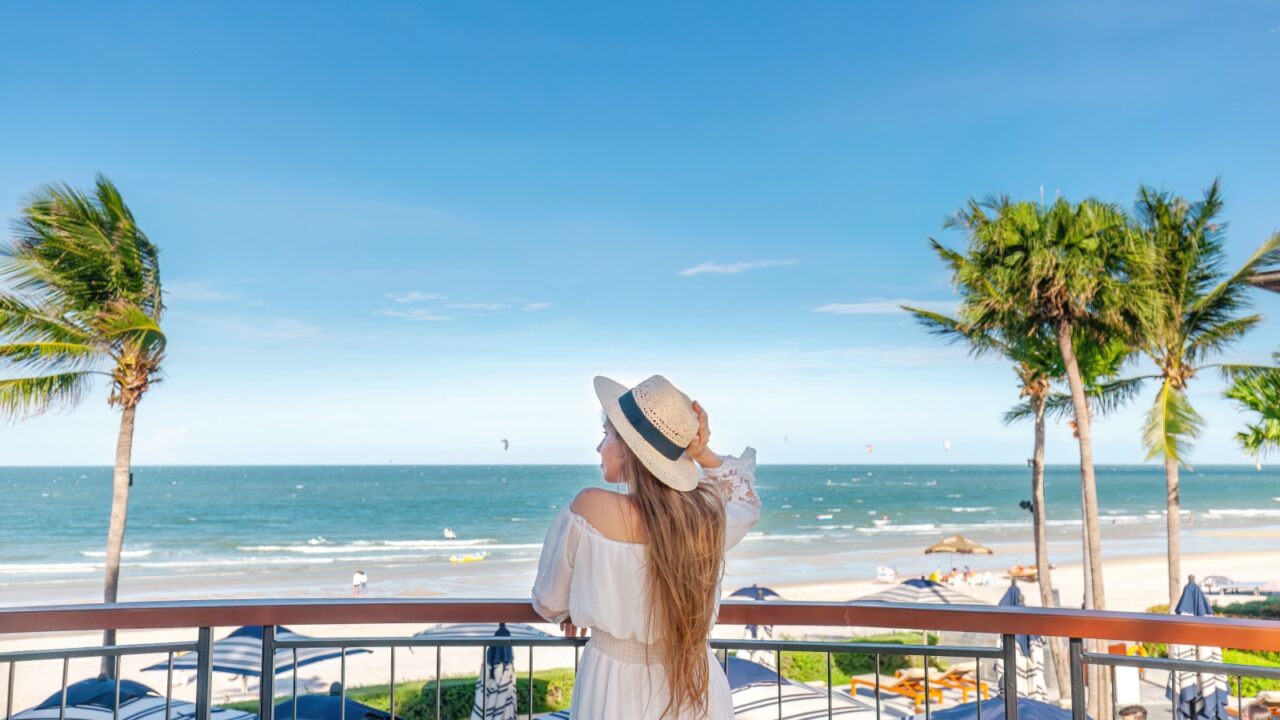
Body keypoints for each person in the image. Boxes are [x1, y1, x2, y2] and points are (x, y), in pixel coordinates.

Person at [532, 375, 760, 719]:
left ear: (628, 447)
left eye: (606, 435)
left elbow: (548, 602)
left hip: (614, 686)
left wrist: (573, 609)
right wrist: (701, 453)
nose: (599, 447)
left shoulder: (589, 508)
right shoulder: (702, 518)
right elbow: (747, 501)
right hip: (695, 684)